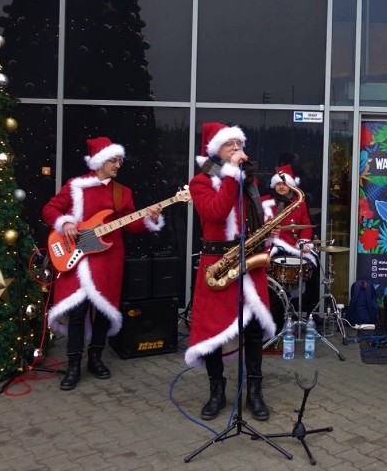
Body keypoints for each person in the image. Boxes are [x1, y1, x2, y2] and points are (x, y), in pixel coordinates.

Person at [42, 137, 164, 391]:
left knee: (103, 313)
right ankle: (74, 364)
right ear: (99, 161)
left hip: (108, 258)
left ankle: (95, 358)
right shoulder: (75, 186)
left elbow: (129, 225)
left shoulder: (123, 192)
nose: (118, 164)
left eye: (120, 160)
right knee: (77, 312)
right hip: (75, 258)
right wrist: (65, 223)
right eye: (113, 160)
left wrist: (148, 219)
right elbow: (50, 209)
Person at [185, 122, 276, 421]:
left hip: (249, 262)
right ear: (215, 150)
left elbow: (252, 218)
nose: (238, 149)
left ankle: (254, 392)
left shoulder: (246, 182)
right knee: (213, 330)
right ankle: (216, 391)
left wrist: (267, 237)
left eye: (240, 144)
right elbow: (215, 212)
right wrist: (231, 177)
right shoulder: (200, 182)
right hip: (217, 264)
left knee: (251, 330)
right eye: (230, 145)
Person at [261, 164, 318, 327]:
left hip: (293, 247)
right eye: (278, 184)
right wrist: (266, 233)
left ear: (291, 185)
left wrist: (304, 242)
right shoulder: (264, 202)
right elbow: (253, 225)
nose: (281, 187)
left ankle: (311, 315)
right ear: (274, 185)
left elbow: (306, 225)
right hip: (270, 248)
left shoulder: (299, 203)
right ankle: (274, 319)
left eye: (284, 184)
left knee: (313, 269)